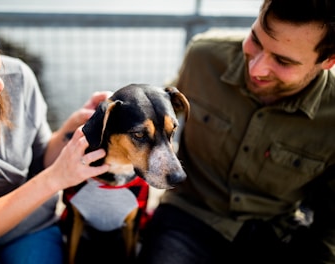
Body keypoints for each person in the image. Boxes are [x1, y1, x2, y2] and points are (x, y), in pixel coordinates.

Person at [137, 0, 335, 263]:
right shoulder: (203, 56)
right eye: (255, 39)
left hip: (273, 234)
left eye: (283, 61)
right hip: (186, 218)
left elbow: (330, 221)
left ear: (328, 60)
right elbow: (160, 114)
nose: (257, 69)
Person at [0, 0, 110, 263]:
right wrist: (54, 179)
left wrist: (69, 131)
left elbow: (40, 159)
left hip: (31, 230)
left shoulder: (18, 77)